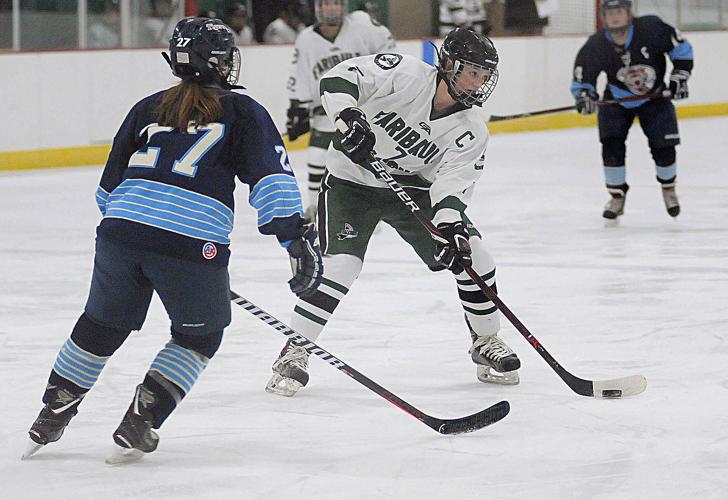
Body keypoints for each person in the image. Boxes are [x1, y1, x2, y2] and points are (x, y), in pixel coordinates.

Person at [23, 17, 323, 462]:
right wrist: (294, 242)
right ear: (220, 62)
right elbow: (272, 182)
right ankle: (142, 418)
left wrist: (139, 240)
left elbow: (107, 190)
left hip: (120, 232)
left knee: (101, 325)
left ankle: (53, 411)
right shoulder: (242, 111)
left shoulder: (148, 107)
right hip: (189, 242)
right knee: (200, 336)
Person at [266, 28, 522, 397]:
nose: (478, 83)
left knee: (475, 256)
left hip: (414, 191)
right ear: (448, 64)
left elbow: (451, 187)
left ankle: (485, 340)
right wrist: (349, 117)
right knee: (342, 266)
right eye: (472, 71)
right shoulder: (404, 74)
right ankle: (295, 348)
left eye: (484, 76)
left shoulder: (471, 131)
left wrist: (451, 230)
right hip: (350, 182)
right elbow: (338, 77)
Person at [571, 0, 693, 221]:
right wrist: (584, 96)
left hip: (655, 97)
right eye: (610, 13)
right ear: (603, 17)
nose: (615, 17)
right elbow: (582, 79)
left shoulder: (652, 28)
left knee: (664, 147)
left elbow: (682, 48)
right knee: (611, 146)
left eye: (619, 12)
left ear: (629, 13)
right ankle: (617, 198)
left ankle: (669, 190)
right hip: (617, 100)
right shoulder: (596, 44)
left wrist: (680, 77)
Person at [286, 0, 395, 222]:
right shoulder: (306, 39)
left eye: (336, 3)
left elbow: (389, 49)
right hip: (326, 109)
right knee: (317, 154)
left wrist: (383, 81)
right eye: (326, 4)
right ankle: (316, 206)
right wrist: (299, 106)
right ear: (317, 8)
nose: (332, 8)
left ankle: (375, 204)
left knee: (370, 155)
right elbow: (301, 75)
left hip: (362, 109)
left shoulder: (362, 24)